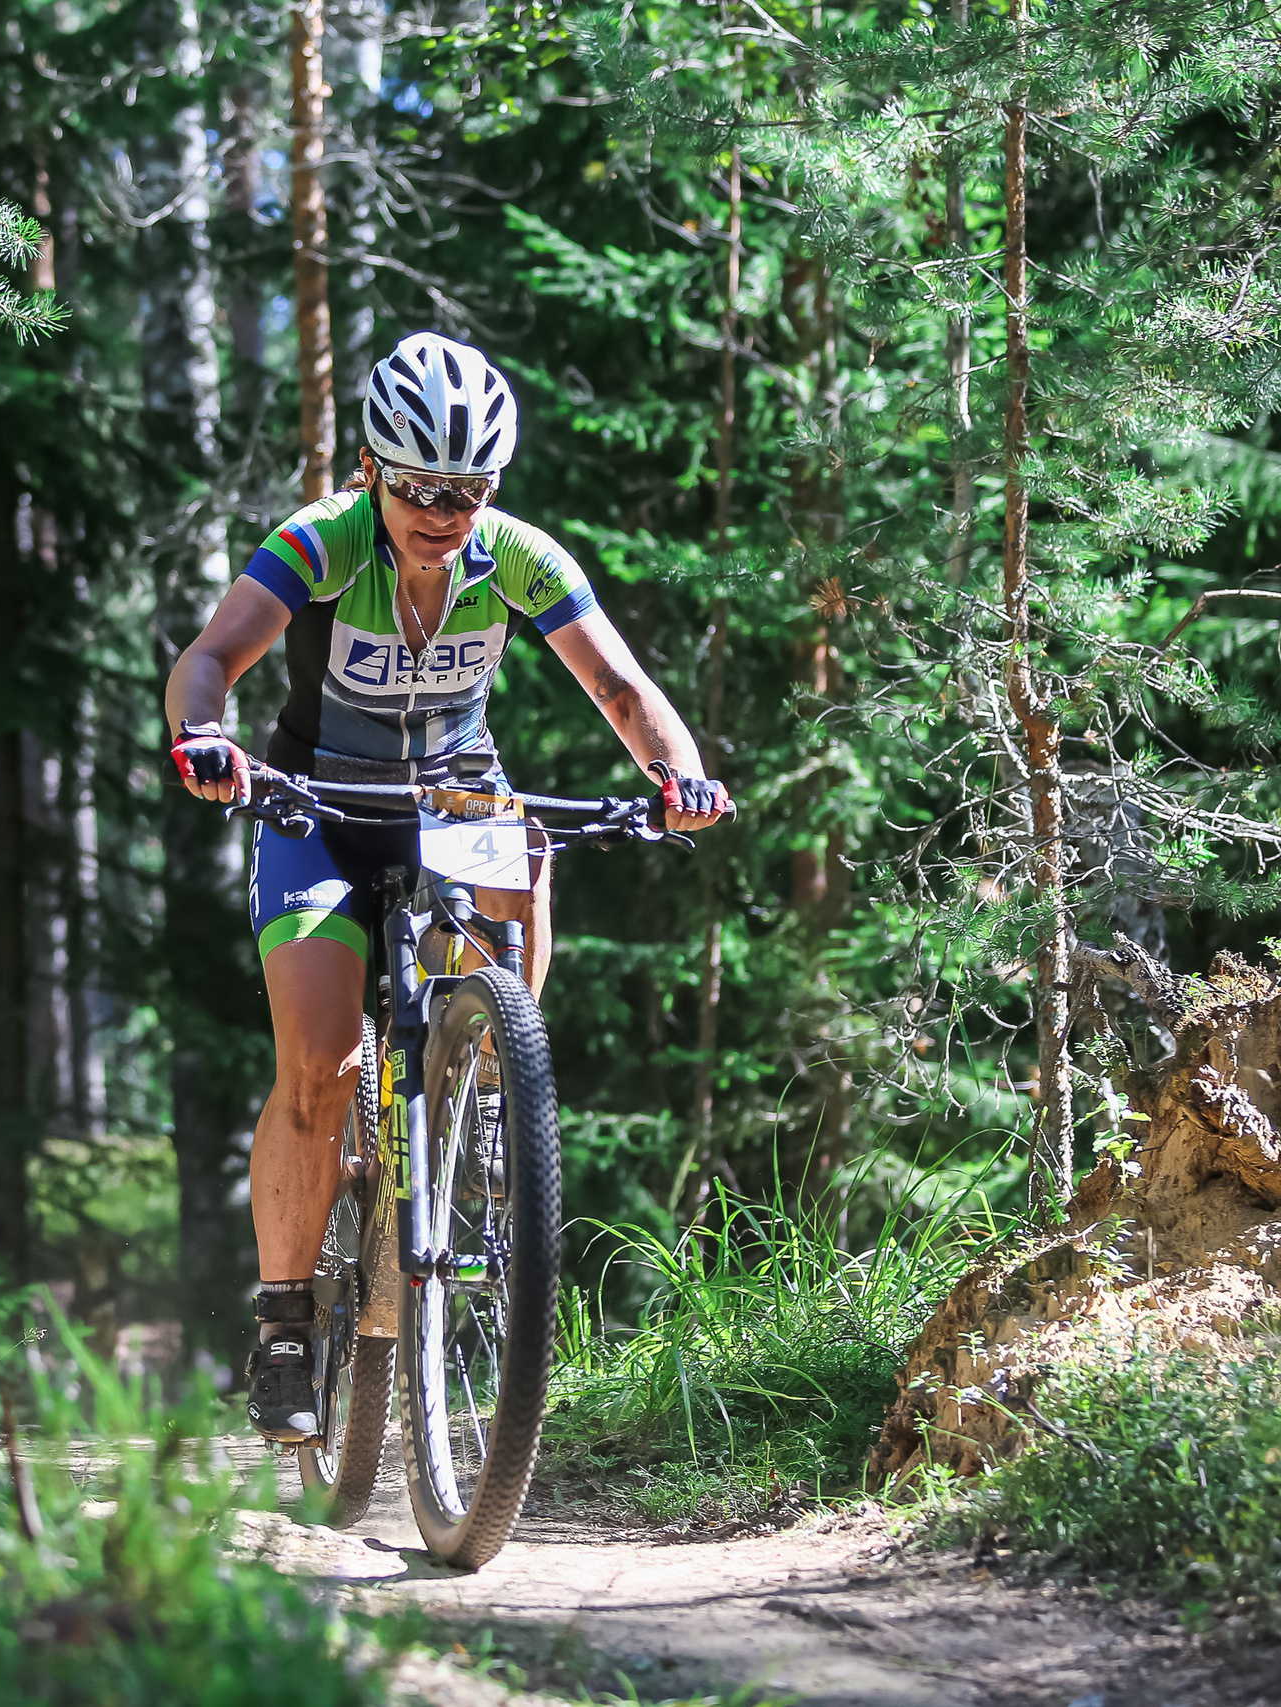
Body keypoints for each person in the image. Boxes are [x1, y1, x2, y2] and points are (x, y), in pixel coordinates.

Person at [165, 332, 733, 1442]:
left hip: (452, 793)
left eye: (468, 490)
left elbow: (621, 689)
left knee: (526, 850)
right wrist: (203, 735)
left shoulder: (518, 557)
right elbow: (210, 658)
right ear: (371, 471)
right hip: (319, 804)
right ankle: (284, 1324)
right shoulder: (318, 542)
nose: (443, 512)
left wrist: (682, 775)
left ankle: (489, 1071)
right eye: (420, 488)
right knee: (319, 1066)